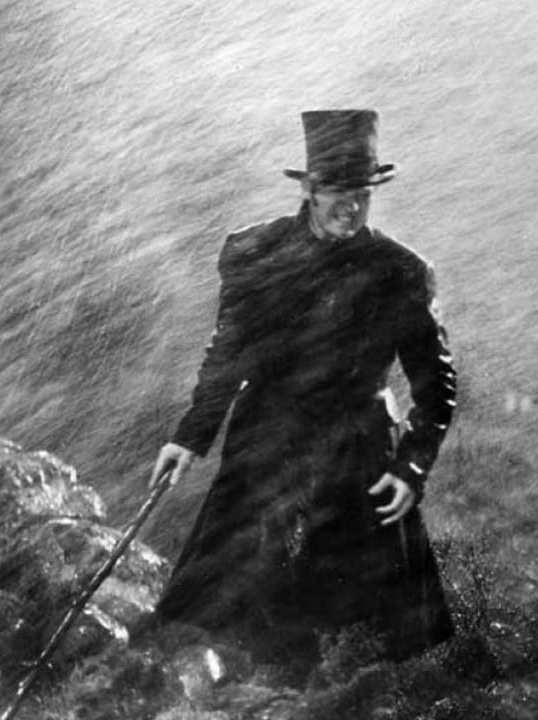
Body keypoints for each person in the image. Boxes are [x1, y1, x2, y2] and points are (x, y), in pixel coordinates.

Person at [147, 109, 458, 678]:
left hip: (358, 454)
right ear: (309, 189)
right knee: (215, 610)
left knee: (375, 646)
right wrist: (190, 437)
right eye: (338, 192)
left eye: (362, 194)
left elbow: (436, 386)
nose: (351, 207)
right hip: (267, 442)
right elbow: (227, 356)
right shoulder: (254, 254)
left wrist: (412, 466)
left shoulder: (400, 272)